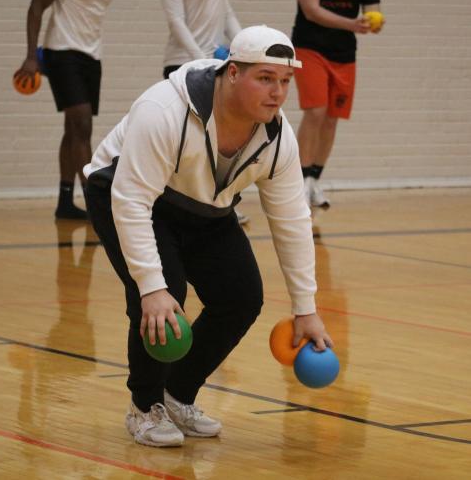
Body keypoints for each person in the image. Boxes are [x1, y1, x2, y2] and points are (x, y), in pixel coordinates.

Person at [84, 25, 333, 448]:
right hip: (126, 194)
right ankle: (145, 407)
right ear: (232, 72)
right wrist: (151, 286)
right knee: (166, 296)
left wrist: (305, 307)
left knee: (241, 297)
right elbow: (131, 200)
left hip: (204, 206)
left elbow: (291, 217)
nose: (277, 93)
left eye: (285, 82)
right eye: (265, 79)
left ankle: (178, 393)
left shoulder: (277, 137)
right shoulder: (163, 109)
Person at [14, 0, 118, 219]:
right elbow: (36, 6)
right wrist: (31, 56)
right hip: (62, 52)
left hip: (92, 55)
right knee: (82, 127)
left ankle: (65, 201)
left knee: (74, 130)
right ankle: (95, 203)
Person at [158, 0, 250, 225]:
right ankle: (176, 204)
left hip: (215, 64)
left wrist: (248, 49)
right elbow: (175, 21)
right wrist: (202, 61)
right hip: (184, 62)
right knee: (189, 140)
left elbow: (226, 13)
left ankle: (220, 203)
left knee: (219, 136)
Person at [291, 0, 383, 208]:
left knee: (332, 118)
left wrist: (374, 22)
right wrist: (352, 24)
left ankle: (313, 180)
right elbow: (311, 10)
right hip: (310, 47)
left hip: (344, 53)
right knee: (315, 111)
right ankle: (299, 182)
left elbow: (373, 10)